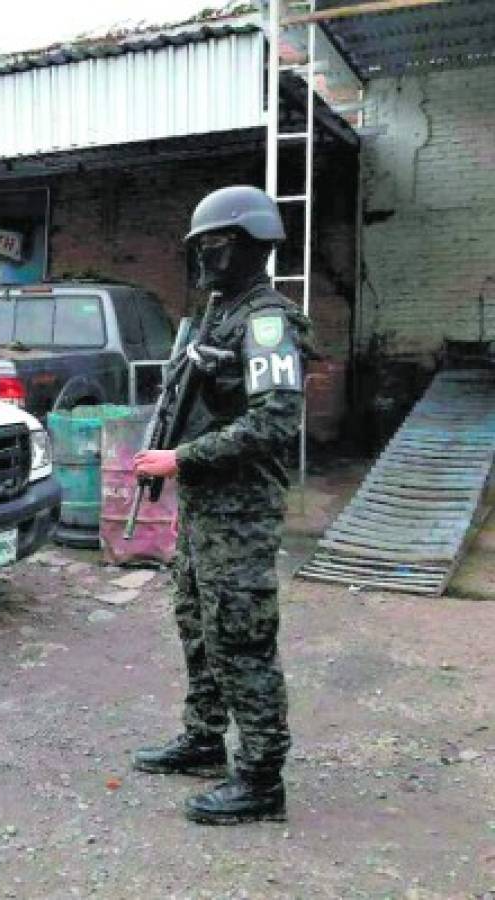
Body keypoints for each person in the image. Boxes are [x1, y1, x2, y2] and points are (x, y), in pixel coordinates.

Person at [130, 185, 311, 825]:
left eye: (212, 244)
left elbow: (276, 420)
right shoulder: (218, 313)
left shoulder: (266, 320)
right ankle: (204, 741)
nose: (203, 256)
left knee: (243, 639)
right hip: (206, 511)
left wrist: (181, 459)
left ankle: (261, 779)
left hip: (241, 512)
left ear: (240, 246)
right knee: (197, 626)